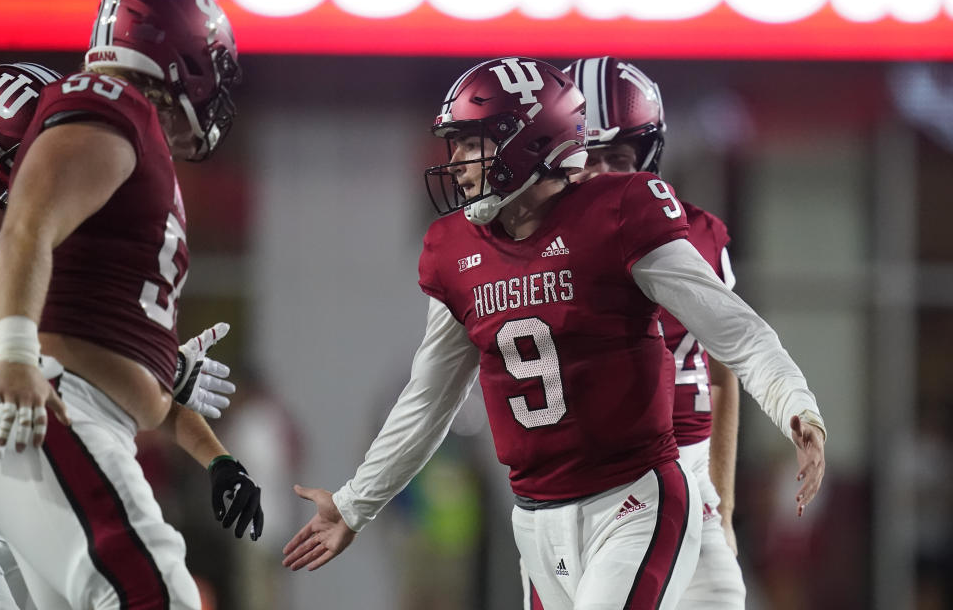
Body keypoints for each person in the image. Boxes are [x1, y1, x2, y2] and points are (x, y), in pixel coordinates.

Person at [282, 57, 827, 610]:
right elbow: (427, 402)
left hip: (633, 500)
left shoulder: (618, 214)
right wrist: (354, 505)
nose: (458, 164)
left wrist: (796, 406)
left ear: (525, 143)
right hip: (537, 520)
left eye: (472, 144)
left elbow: (737, 334)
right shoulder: (457, 252)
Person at [0, 0, 263, 609]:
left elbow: (96, 341)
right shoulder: (105, 103)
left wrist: (215, 454)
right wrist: (13, 351)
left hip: (74, 407)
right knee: (155, 592)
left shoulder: (124, 140)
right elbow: (27, 233)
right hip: (53, 407)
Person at [533, 56, 747, 609]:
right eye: (588, 158)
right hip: (593, 493)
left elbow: (724, 368)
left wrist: (721, 500)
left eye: (618, 159)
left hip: (688, 477)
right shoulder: (529, 253)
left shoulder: (696, 236)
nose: (602, 176)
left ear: (647, 158)